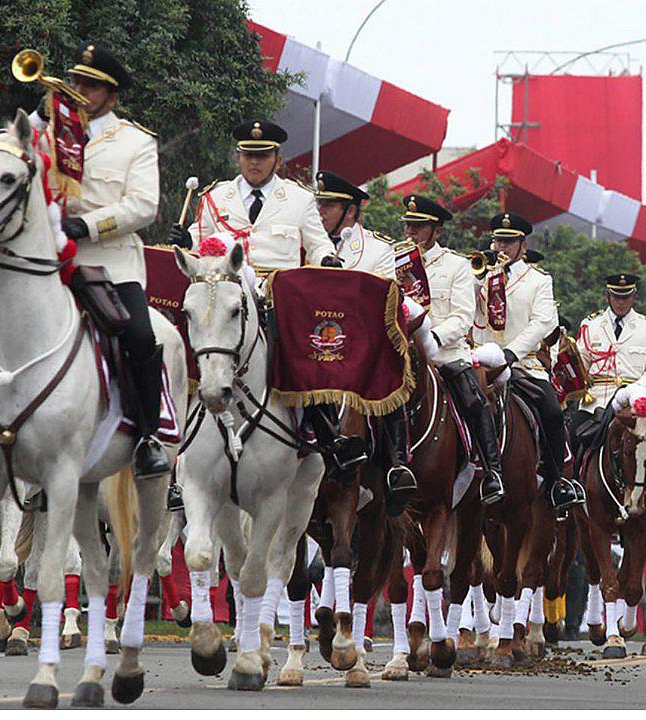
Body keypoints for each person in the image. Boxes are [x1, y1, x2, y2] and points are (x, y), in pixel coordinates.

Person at [22, 44, 169, 478]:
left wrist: (87, 227)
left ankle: (147, 437)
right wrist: (36, 117)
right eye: (77, 81)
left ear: (112, 94)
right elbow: (11, 156)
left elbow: (143, 205)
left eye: (91, 85)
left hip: (109, 264)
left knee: (140, 337)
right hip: (47, 261)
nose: (80, 89)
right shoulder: (50, 129)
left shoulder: (135, 141)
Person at [313, 171, 415, 509]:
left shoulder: (378, 249)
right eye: (319, 204)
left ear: (352, 212)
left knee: (393, 371)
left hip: (360, 345)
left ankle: (397, 465)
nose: (321, 211)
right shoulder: (307, 243)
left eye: (329, 206)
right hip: (313, 346)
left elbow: (384, 301)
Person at [398, 195, 503, 504]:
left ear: (437, 232)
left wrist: (433, 339)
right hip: (404, 356)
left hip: (445, 354)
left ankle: (492, 471)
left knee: (475, 401)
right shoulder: (397, 262)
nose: (411, 233)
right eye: (409, 226)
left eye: (419, 227)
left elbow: (462, 317)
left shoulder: (456, 265)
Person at [475, 212, 582, 512]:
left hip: (523, 364)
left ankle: (556, 479)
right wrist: (478, 277)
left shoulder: (538, 280)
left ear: (523, 245)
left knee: (551, 411)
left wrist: (512, 353)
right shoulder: (481, 274)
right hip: (482, 362)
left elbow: (544, 321)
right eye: (498, 241)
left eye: (509, 242)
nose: (501, 248)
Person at [169, 120, 338, 272]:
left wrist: (326, 258)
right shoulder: (216, 197)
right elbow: (199, 240)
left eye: (263, 156)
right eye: (248, 155)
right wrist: (186, 240)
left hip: (278, 292)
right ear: (238, 158)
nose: (254, 162)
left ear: (278, 161)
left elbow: (318, 244)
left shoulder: (300, 199)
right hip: (228, 290)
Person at [572, 273, 646, 516]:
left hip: (638, 398)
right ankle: (571, 488)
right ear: (608, 296)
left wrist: (637, 391)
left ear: (634, 297)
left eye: (626, 297)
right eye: (617, 296)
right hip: (597, 397)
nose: (621, 302)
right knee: (573, 435)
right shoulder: (591, 325)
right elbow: (580, 364)